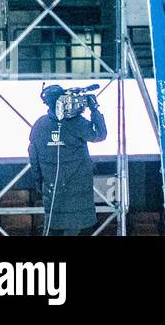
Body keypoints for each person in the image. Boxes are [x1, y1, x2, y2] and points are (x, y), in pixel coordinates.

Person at [28, 85, 108, 236]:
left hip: (51, 191)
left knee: (52, 228)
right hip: (77, 193)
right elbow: (100, 134)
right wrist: (94, 110)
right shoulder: (77, 123)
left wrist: (39, 181)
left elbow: (33, 157)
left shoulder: (40, 125)